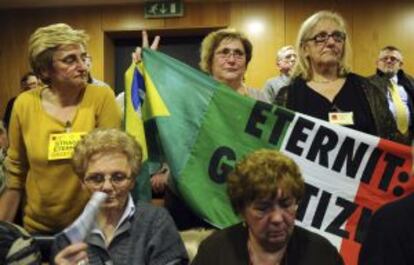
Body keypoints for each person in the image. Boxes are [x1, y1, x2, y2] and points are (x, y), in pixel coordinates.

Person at [0, 23, 121, 234]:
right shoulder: (24, 104)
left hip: (92, 227)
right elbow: (16, 173)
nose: (83, 66)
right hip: (37, 228)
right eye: (70, 60)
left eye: (83, 57)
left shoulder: (101, 97)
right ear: (44, 70)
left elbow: (111, 167)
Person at [53, 128, 188, 265]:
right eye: (96, 178)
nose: (106, 187)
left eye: (118, 177)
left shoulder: (156, 223)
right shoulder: (68, 236)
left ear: (133, 181)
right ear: (82, 182)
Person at [191, 149, 343, 265]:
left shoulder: (322, 254)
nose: (277, 218)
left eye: (286, 204)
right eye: (263, 208)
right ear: (242, 210)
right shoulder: (215, 252)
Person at [275, 11, 395, 139]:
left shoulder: (368, 90)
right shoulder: (288, 96)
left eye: (337, 36)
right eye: (321, 37)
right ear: (305, 49)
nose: (331, 42)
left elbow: (390, 140)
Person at [199, 28, 269, 102]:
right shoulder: (198, 97)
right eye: (224, 52)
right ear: (209, 60)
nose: (231, 60)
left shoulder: (260, 97)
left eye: (239, 53)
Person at [368, 46, 414, 145]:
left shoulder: (410, 83)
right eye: (384, 58)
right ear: (377, 63)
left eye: (393, 59)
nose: (389, 61)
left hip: (408, 139)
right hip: (380, 141)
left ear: (400, 64)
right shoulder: (367, 84)